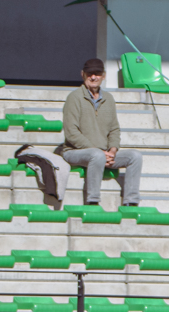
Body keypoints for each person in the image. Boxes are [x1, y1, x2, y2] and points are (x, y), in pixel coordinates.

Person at [59, 58, 142, 207]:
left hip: (103, 153)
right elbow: (71, 133)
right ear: (83, 74)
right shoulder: (74, 98)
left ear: (103, 76)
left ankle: (131, 202)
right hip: (74, 152)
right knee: (96, 155)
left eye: (97, 73)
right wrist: (100, 152)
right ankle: (93, 201)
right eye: (90, 73)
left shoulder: (109, 99)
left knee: (135, 156)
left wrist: (113, 150)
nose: (93, 77)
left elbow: (114, 129)